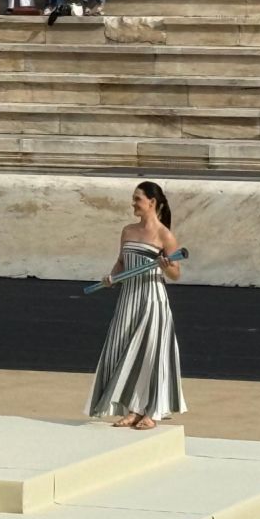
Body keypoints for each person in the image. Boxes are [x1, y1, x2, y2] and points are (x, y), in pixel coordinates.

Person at [85, 182, 185, 430]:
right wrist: (112, 278)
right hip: (128, 299)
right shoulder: (128, 231)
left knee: (151, 355)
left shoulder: (164, 235)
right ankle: (133, 409)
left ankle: (152, 412)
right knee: (122, 350)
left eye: (137, 199)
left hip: (152, 300)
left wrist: (166, 266)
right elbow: (121, 262)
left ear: (152, 202)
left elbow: (176, 274)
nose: (133, 203)